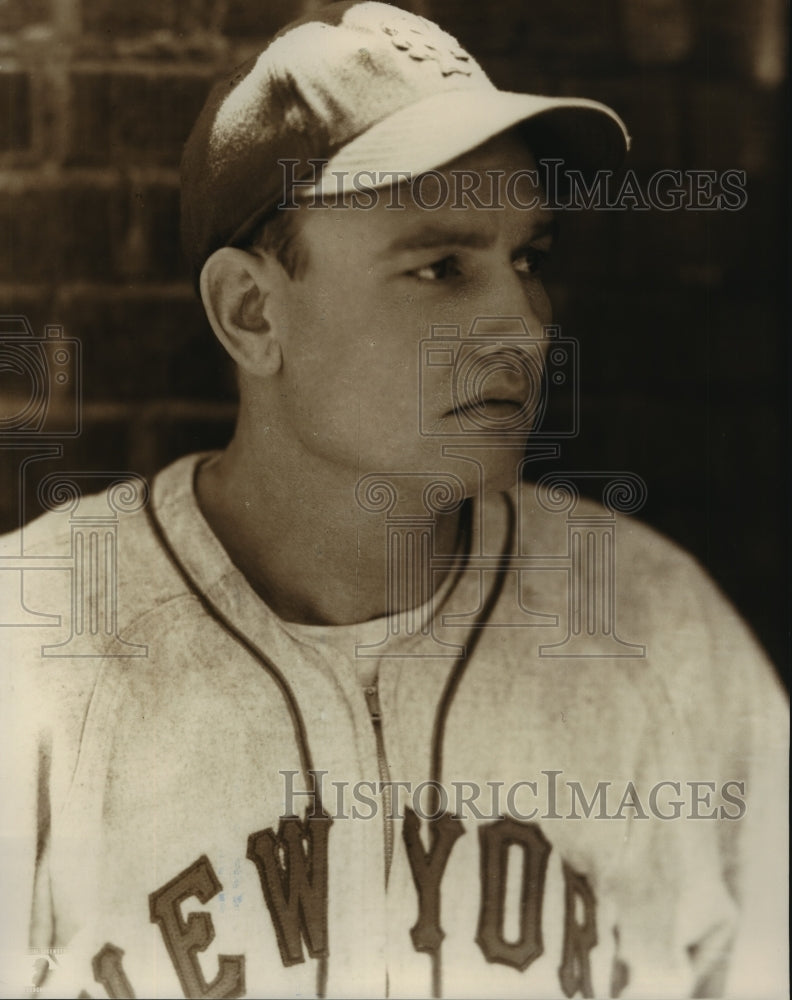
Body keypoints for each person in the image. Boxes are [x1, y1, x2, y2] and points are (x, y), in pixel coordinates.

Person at [0, 2, 787, 997]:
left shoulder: (659, 627)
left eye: (527, 260)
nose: (526, 328)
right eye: (440, 267)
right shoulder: (30, 648)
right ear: (252, 313)